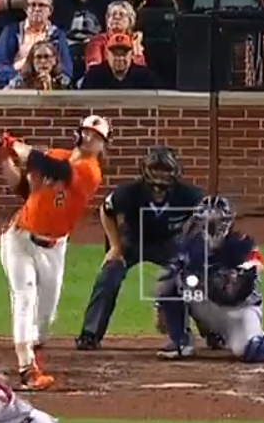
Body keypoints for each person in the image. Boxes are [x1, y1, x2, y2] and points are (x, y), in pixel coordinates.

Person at [0, 116, 108, 390]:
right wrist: (4, 159)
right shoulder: (56, 156)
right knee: (24, 298)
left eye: (98, 136)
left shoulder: (90, 172)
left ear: (103, 145)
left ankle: (33, 347)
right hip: (20, 238)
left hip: (55, 247)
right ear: (79, 133)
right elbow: (22, 187)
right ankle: (27, 368)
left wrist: (16, 145)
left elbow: (51, 167)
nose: (91, 138)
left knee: (45, 317)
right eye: (88, 132)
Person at [75, 145, 205, 350]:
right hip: (133, 241)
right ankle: (90, 333)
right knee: (109, 273)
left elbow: (203, 222)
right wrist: (115, 247)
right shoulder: (129, 192)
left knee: (193, 277)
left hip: (169, 243)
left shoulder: (190, 196)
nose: (160, 176)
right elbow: (106, 210)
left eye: (165, 170)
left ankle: (209, 331)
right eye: (156, 169)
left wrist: (191, 251)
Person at [152, 196, 264, 363]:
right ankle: (182, 341)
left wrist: (216, 281)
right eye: (206, 221)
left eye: (217, 221)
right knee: (173, 280)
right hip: (209, 303)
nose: (211, 227)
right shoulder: (192, 245)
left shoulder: (243, 245)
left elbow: (236, 293)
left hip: (239, 309)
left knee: (253, 351)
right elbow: (169, 275)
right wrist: (161, 305)